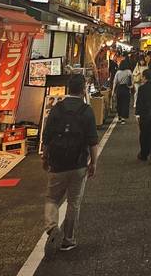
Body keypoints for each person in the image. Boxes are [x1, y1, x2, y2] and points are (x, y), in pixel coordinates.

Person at [42, 73, 99, 257]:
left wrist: (45, 157)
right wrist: (94, 163)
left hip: (57, 163)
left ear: (68, 89)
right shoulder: (86, 110)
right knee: (74, 203)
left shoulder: (56, 109)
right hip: (78, 163)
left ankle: (52, 228)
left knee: (52, 198)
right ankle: (68, 240)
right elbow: (92, 141)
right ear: (83, 90)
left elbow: (47, 136)